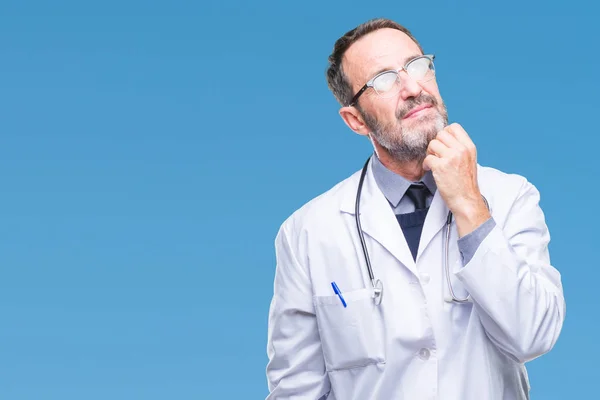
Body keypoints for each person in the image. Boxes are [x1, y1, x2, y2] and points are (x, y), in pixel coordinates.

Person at [265, 18, 565, 400]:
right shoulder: (307, 233)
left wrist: (471, 205)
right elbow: (296, 390)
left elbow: (534, 335)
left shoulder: (511, 196)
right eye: (385, 79)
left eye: (418, 66)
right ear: (356, 120)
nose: (412, 88)